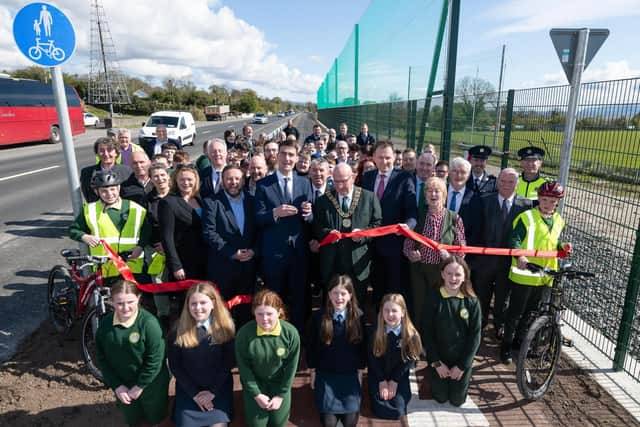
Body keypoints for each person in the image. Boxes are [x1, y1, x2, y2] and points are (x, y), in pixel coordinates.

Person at [500, 181, 572, 364]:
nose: (547, 203)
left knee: (531, 313)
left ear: (558, 202)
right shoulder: (526, 218)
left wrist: (563, 247)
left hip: (545, 276)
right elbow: (514, 240)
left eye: (552, 200)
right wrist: (520, 257)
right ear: (539, 198)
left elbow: (552, 242)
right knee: (515, 313)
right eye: (544, 199)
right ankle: (506, 347)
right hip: (524, 275)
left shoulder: (558, 220)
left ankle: (519, 342)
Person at [254, 139, 313, 332]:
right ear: (276, 156)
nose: (287, 158)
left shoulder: (305, 183)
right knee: (274, 297)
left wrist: (308, 213)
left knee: (298, 296)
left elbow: (311, 218)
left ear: (297, 158)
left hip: (298, 252)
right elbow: (258, 218)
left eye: (291, 155)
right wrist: (274, 213)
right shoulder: (263, 184)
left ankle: (296, 336)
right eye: (283, 154)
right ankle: (273, 333)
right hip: (274, 253)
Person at [95, 280, 170, 427]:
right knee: (132, 419)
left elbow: (156, 360)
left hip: (151, 385)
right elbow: (102, 358)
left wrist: (140, 386)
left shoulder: (149, 324)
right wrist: (117, 385)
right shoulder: (105, 326)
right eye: (119, 303)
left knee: (156, 417)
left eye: (130, 302)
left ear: (139, 298)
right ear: (112, 301)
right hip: (124, 385)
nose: (125, 308)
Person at [468, 168, 532, 334]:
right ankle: (479, 324)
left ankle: (498, 325)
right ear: (497, 182)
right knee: (482, 294)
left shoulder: (526, 205)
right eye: (502, 181)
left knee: (503, 296)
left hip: (508, 262)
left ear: (517, 184)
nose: (506, 185)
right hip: (484, 261)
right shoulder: (484, 201)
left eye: (511, 182)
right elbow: (477, 230)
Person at [403, 176, 466, 334]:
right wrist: (410, 253)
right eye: (429, 191)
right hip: (420, 270)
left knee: (440, 305)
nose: (433, 194)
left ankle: (438, 340)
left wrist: (451, 257)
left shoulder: (454, 218)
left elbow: (461, 247)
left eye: (437, 191)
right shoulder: (418, 216)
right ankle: (420, 339)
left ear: (444, 195)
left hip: (443, 272)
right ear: (425, 196)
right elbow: (408, 242)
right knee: (420, 305)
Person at [168, 283, 236, 427]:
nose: (198, 308)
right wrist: (194, 394)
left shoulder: (225, 328)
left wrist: (212, 392)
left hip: (218, 388)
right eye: (193, 303)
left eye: (203, 302)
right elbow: (175, 365)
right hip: (189, 389)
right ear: (187, 306)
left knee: (218, 425)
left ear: (213, 303)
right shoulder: (177, 330)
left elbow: (228, 362)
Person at [313, 163, 382, 303]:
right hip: (332, 263)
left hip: (358, 264)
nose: (339, 186)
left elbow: (377, 224)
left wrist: (363, 235)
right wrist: (327, 234)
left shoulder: (368, 198)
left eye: (343, 181)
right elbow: (316, 226)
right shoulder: (323, 200)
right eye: (336, 181)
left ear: (353, 177)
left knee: (358, 307)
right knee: (331, 306)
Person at [361, 141, 417, 306]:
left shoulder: (404, 178)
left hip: (394, 245)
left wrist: (408, 227)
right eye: (380, 157)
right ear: (374, 158)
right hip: (370, 245)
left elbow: (412, 212)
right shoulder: (368, 177)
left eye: (388, 158)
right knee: (376, 289)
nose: (384, 161)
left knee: (393, 290)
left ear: (394, 158)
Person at [306, 275, 366, 427]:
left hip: (350, 376)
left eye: (343, 293)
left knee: (350, 423)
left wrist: (360, 371)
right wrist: (313, 371)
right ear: (329, 294)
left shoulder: (359, 316)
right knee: (328, 424)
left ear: (350, 295)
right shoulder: (318, 317)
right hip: (327, 376)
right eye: (335, 293)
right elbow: (311, 346)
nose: (339, 297)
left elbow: (362, 347)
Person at [235, 289, 301, 427]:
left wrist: (281, 395)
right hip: (256, 385)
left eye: (269, 314)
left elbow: (291, 367)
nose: (264, 319)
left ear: (278, 312)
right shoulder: (244, 334)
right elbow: (244, 368)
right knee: (256, 425)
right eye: (260, 314)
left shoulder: (290, 333)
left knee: (278, 423)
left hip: (279, 385)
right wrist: (256, 394)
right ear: (254, 313)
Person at [69, 170, 149, 282]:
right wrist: (84, 236)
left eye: (113, 189)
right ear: (97, 192)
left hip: (132, 266)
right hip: (105, 268)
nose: (110, 194)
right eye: (104, 191)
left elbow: (147, 231)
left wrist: (140, 247)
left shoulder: (135, 208)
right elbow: (73, 230)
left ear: (119, 188)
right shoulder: (90, 210)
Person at [202, 165, 257, 326]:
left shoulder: (252, 201)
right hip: (223, 266)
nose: (233, 182)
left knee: (246, 309)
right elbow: (209, 233)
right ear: (223, 181)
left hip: (248, 265)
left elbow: (260, 230)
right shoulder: (211, 202)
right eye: (229, 179)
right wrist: (232, 253)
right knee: (223, 310)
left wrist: (254, 251)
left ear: (243, 181)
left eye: (237, 179)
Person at [423, 257, 481, 407]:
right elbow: (427, 332)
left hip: (460, 360)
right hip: (439, 359)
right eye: (449, 273)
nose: (453, 278)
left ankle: (459, 377)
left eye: (457, 274)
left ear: (465, 277)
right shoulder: (433, 297)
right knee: (440, 398)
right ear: (442, 274)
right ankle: (430, 372)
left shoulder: (472, 301)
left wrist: (463, 365)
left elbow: (475, 336)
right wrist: (436, 362)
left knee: (457, 401)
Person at [368, 294, 422, 426]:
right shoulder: (375, 332)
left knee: (398, 410)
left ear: (403, 312)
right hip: (378, 374)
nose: (390, 314)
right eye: (386, 310)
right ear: (381, 312)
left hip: (398, 376)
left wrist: (394, 381)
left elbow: (409, 361)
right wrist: (381, 381)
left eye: (394, 310)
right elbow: (372, 359)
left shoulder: (410, 334)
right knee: (380, 407)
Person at [158, 164, 206, 283]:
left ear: (196, 181)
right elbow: (167, 237)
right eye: (182, 179)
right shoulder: (168, 202)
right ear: (176, 181)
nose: (186, 183)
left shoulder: (200, 199)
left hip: (205, 258)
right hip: (184, 260)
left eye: (189, 179)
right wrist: (176, 266)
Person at [144, 163, 172, 329]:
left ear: (168, 175)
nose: (160, 179)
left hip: (177, 246)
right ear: (151, 179)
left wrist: (170, 243)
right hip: (155, 248)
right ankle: (164, 315)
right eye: (155, 176)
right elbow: (145, 225)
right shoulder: (147, 200)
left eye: (162, 175)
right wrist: (156, 244)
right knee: (159, 282)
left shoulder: (177, 195)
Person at [80, 137, 134, 203]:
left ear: (116, 152)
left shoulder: (127, 172)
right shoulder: (86, 173)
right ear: (97, 153)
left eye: (109, 150)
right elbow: (88, 197)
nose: (106, 154)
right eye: (102, 150)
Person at [446, 157, 476, 241]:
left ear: (469, 175)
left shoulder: (475, 199)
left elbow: (476, 229)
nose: (458, 175)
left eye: (463, 172)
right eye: (455, 171)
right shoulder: (439, 192)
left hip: (461, 248)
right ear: (449, 172)